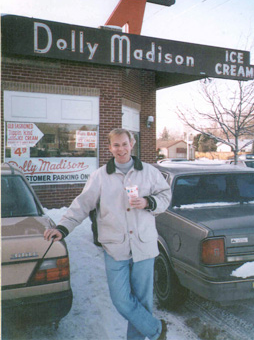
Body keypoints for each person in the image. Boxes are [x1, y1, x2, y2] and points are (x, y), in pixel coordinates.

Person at [44, 128, 171, 340]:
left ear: (132, 144)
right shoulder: (100, 176)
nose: (121, 149)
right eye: (116, 145)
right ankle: (157, 330)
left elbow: (166, 195)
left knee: (142, 302)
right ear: (109, 148)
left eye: (124, 144)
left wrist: (150, 202)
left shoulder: (149, 172)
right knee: (121, 300)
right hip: (115, 248)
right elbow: (81, 205)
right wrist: (62, 228)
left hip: (143, 246)